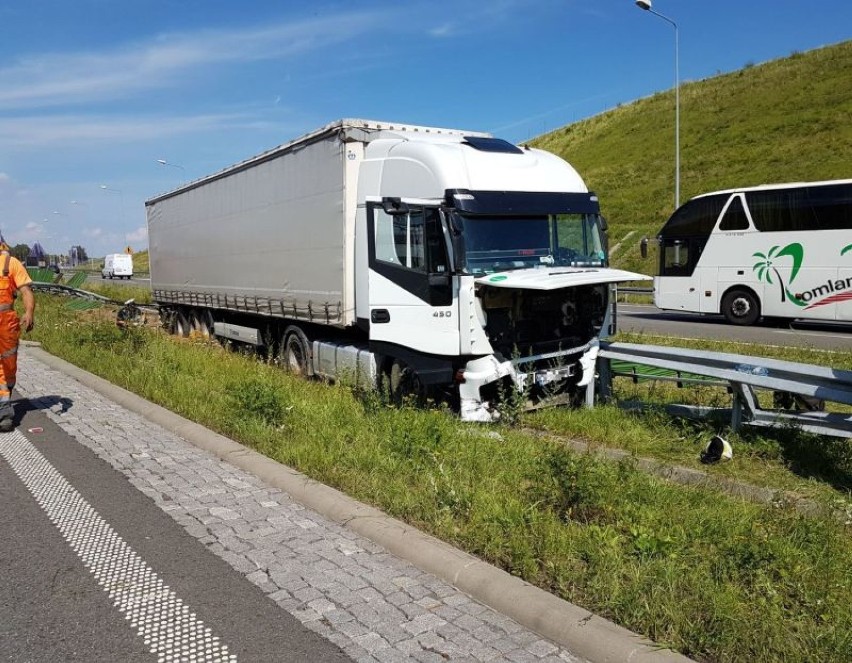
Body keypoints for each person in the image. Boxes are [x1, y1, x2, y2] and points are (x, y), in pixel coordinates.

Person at [0, 239, 35, 432]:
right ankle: (4, 414)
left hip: (7, 324)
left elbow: (26, 291)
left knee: (9, 367)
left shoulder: (10, 263)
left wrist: (29, 312)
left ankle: (6, 395)